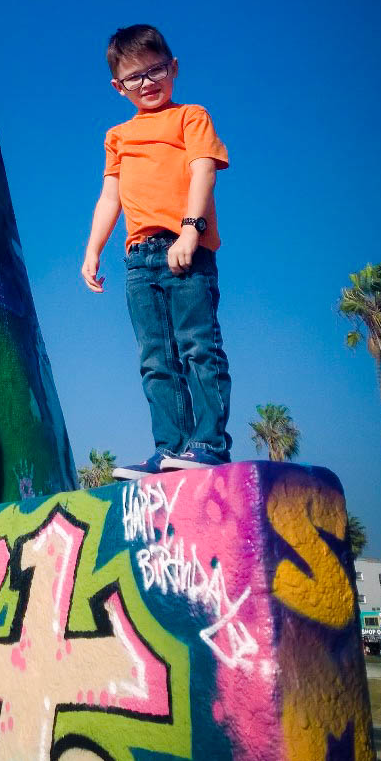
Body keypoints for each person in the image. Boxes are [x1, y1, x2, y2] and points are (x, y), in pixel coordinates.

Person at [81, 24, 231, 477]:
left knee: (198, 349)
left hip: (185, 248)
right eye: (135, 77)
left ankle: (208, 445)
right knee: (154, 359)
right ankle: (171, 449)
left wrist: (191, 230)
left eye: (156, 70)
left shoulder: (191, 117)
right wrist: (93, 251)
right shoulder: (117, 137)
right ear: (118, 87)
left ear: (174, 68)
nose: (147, 83)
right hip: (138, 260)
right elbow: (111, 196)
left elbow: (204, 170)